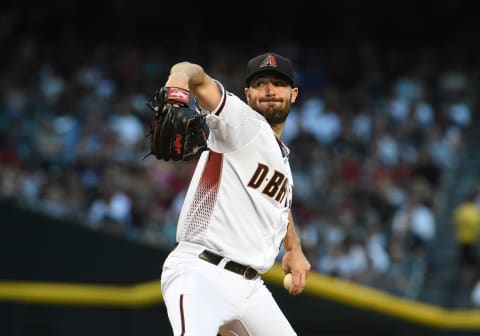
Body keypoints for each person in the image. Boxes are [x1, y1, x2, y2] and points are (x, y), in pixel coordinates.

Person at [159, 52, 311, 336]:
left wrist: (293, 247)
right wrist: (178, 80)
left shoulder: (282, 159)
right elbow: (192, 72)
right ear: (247, 93)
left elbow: (278, 203)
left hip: (251, 288)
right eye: (260, 83)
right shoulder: (242, 122)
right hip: (200, 274)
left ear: (293, 94)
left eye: (278, 84)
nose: (269, 90)